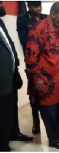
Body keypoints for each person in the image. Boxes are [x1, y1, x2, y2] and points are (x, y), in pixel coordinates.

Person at [24, 2, 59, 149]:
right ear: (52, 14)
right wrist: (37, 77)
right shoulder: (38, 29)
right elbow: (31, 56)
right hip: (47, 80)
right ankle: (53, 138)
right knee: (50, 111)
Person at [16, 1, 48, 134]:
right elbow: (24, 41)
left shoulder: (46, 18)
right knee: (34, 94)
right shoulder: (23, 19)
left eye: (40, 6)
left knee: (48, 91)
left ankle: (49, 121)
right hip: (33, 61)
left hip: (47, 61)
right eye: (35, 6)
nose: (39, 9)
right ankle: (36, 122)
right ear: (29, 7)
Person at [0, 1, 26, 150]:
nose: (2, 5)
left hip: (11, 75)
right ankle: (3, 145)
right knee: (3, 113)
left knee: (11, 109)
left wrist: (14, 64)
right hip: (2, 80)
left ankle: (14, 133)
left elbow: (9, 45)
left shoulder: (1, 24)